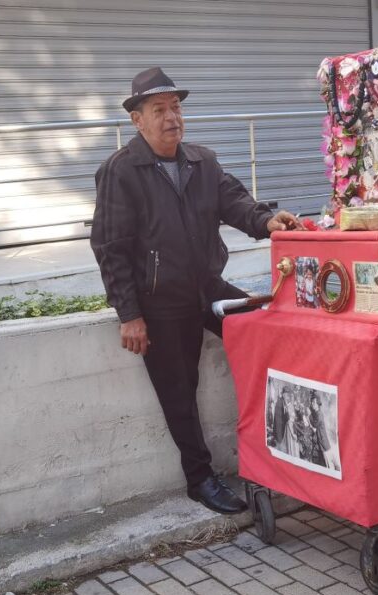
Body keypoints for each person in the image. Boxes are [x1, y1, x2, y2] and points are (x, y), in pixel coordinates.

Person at [90, 67, 300, 515]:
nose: (172, 118)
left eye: (177, 108)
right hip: (158, 301)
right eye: (159, 110)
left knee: (265, 340)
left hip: (207, 288)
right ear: (137, 120)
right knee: (179, 391)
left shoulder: (202, 161)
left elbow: (236, 201)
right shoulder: (120, 172)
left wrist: (266, 221)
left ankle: (286, 450)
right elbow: (110, 248)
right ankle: (200, 479)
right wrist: (129, 313)